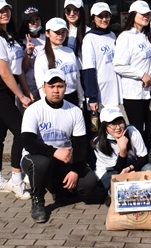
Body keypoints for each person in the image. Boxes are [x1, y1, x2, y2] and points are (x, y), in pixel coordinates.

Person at [21, 69, 102, 223]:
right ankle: (38, 201)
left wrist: (75, 170)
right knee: (42, 163)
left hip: (64, 160)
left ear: (65, 87)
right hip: (36, 158)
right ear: (44, 87)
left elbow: (81, 145)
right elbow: (28, 142)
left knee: (90, 182)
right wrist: (54, 152)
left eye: (59, 86)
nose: (56, 90)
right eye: (51, 86)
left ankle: (59, 190)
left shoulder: (74, 111)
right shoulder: (33, 110)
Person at [0, 0, 33, 200]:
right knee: (21, 132)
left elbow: (18, 69)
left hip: (9, 87)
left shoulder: (9, 36)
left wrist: (26, 91)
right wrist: (21, 96)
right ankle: (16, 180)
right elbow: (4, 72)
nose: (4, 13)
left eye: (6, 9)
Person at [113, 0, 151, 147]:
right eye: (142, 14)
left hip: (149, 92)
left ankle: (145, 154)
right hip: (133, 93)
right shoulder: (125, 37)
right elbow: (118, 65)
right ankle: (137, 157)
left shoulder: (147, 35)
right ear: (133, 15)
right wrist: (141, 74)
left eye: (148, 14)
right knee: (136, 129)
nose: (146, 16)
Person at [92, 105, 151, 191]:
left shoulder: (132, 131)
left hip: (131, 166)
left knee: (149, 169)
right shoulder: (99, 143)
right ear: (105, 126)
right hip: (110, 171)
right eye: (113, 124)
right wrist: (123, 149)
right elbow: (117, 169)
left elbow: (144, 157)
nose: (118, 127)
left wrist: (129, 168)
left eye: (120, 122)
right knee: (113, 187)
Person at [34, 17, 84, 108]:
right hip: (55, 100)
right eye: (56, 32)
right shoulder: (42, 56)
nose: (60, 35)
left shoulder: (69, 51)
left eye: (63, 32)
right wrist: (47, 105)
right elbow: (41, 85)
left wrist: (81, 100)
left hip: (73, 98)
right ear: (47, 33)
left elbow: (77, 77)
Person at [80, 2, 120, 110]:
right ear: (93, 19)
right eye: (100, 16)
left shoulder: (112, 35)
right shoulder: (89, 38)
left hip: (115, 89)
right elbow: (89, 69)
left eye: (107, 16)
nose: (104, 19)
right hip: (100, 91)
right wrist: (92, 97)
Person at [20, 6, 46, 104]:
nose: (35, 23)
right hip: (30, 84)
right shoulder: (21, 42)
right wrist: (29, 52)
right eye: (31, 21)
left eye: (37, 19)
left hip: (46, 82)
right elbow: (22, 69)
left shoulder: (48, 37)